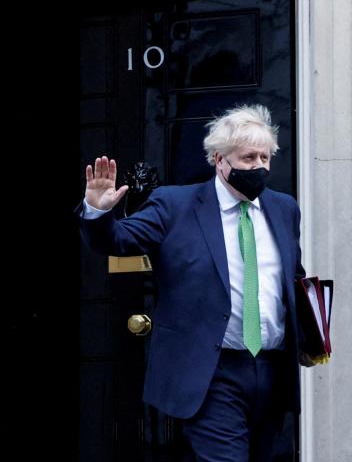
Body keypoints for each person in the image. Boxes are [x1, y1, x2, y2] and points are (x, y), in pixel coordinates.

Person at [78, 104, 303, 462]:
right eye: (247, 158)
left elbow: (293, 277)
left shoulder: (284, 208)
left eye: (265, 156)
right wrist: (98, 211)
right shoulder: (175, 204)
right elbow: (117, 241)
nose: (258, 166)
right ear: (219, 159)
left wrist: (312, 329)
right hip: (212, 372)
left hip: (273, 372)